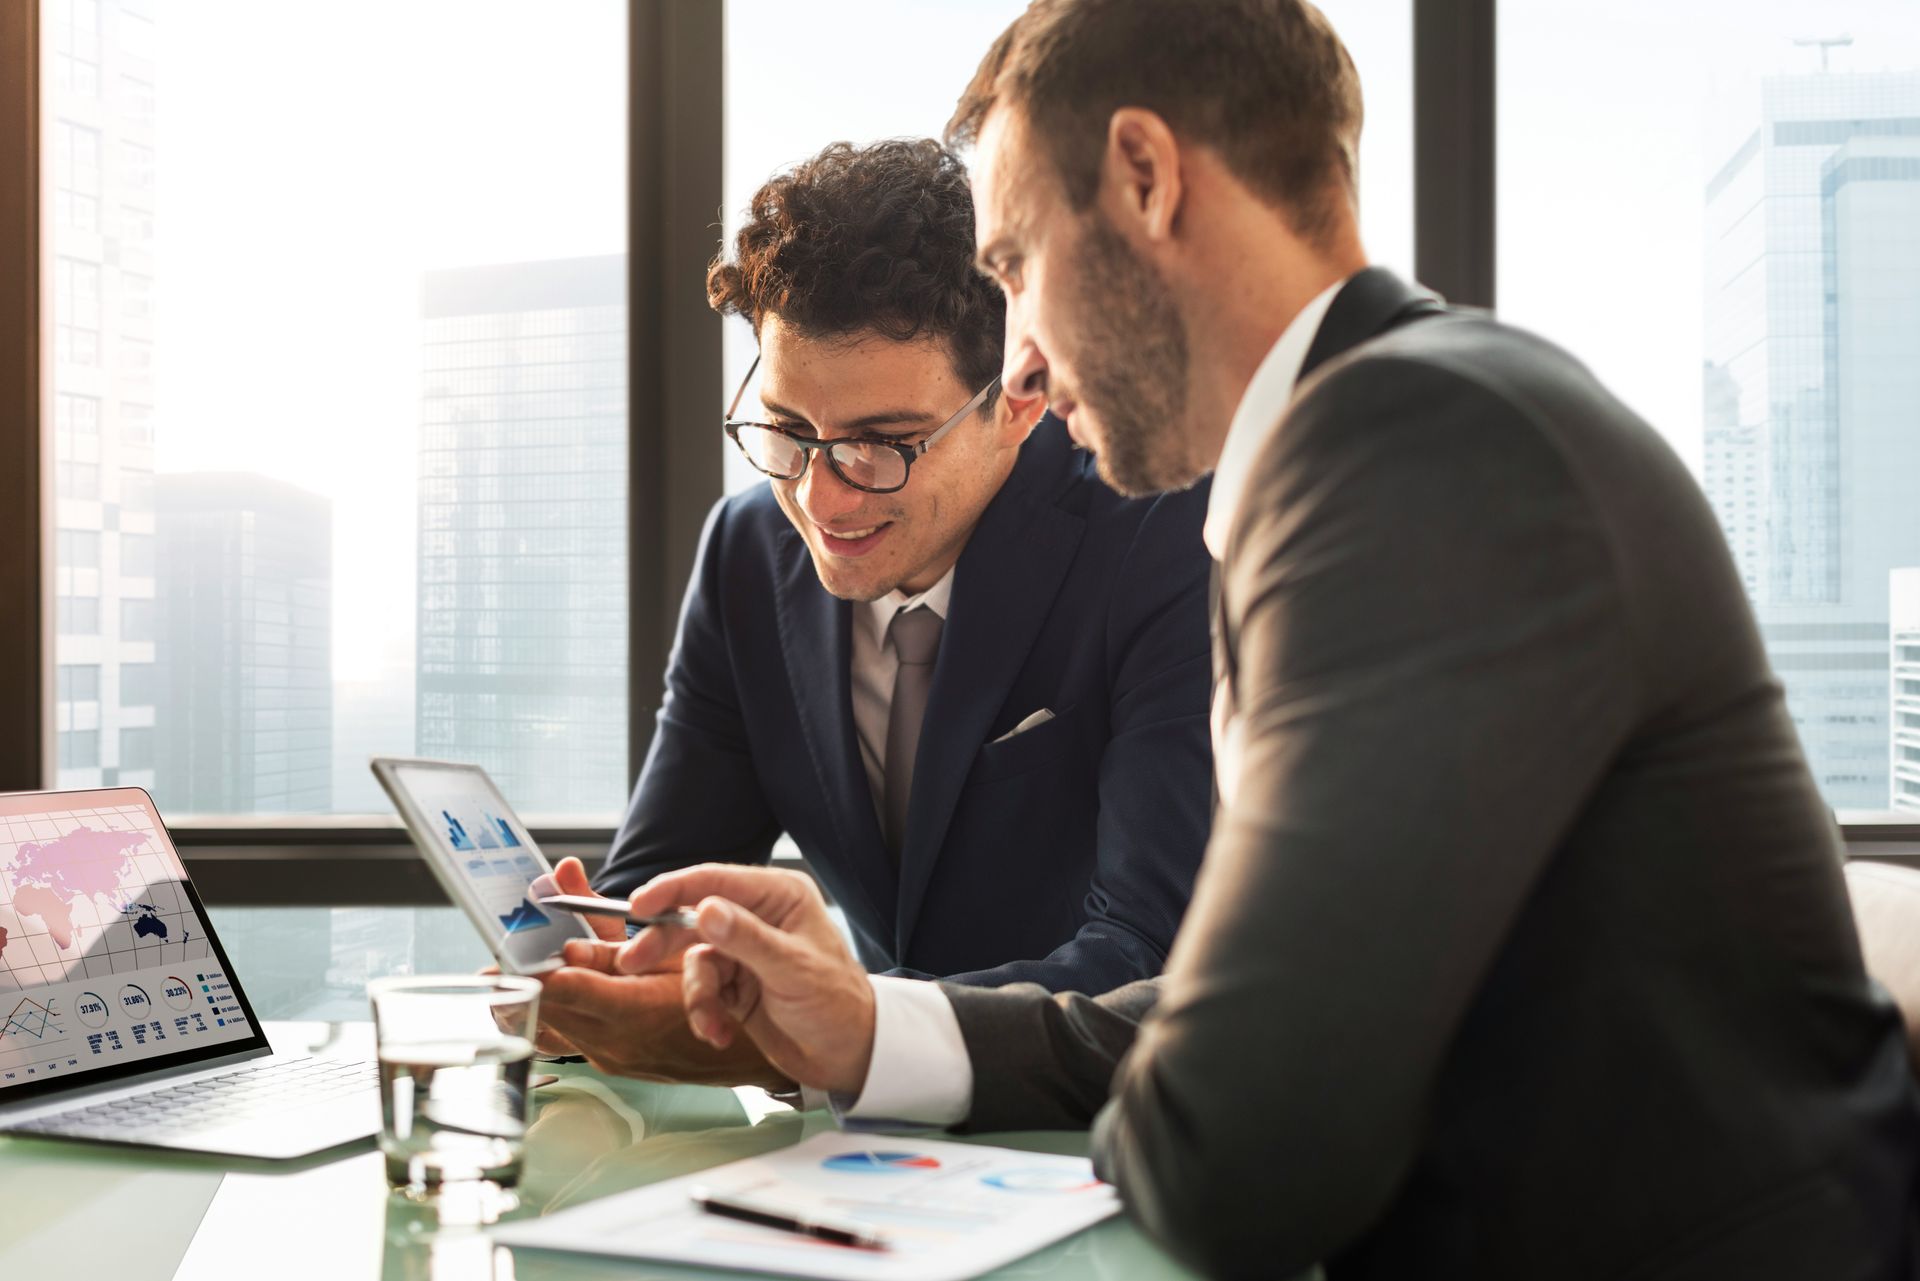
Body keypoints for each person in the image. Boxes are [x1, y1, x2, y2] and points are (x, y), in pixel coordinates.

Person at [598, 2, 1920, 1277]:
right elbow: (1246, 1013)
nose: (1024, 372)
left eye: (1015, 269)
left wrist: (1187, 1083)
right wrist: (872, 1021)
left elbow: (1239, 1145)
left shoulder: (1414, 455)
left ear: (1145, 177)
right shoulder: (1403, 422)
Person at [532, 138, 1214, 1083]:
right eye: (788, 430)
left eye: (882, 444)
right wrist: (602, 974)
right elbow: (664, 892)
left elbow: (1148, 956)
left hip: (1094, 1154)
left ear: (1019, 397)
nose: (822, 498)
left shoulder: (1161, 534)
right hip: (860, 1174)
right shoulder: (745, 556)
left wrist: (836, 1034)